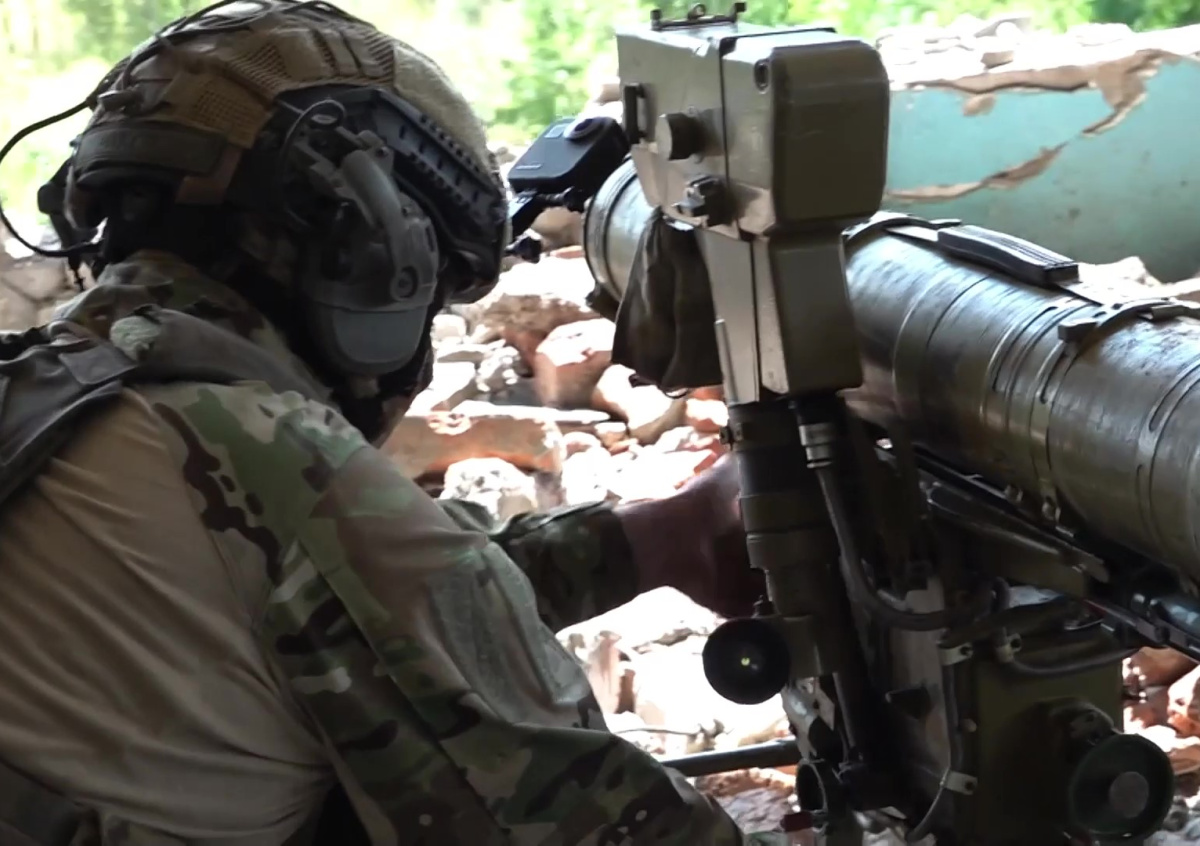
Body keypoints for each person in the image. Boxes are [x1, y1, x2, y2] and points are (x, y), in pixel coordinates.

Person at [0, 1, 788, 844]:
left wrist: (659, 538)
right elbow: (596, 822)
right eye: (434, 290)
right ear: (378, 254)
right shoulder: (275, 461)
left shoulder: (52, 396)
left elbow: (370, 611)